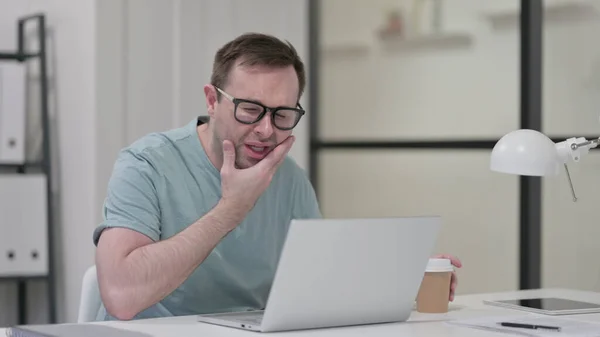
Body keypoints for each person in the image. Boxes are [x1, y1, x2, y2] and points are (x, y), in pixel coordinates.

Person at [93, 32, 462, 321]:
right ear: (212, 99)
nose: (266, 131)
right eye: (250, 109)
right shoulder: (147, 165)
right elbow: (122, 296)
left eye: (283, 114)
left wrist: (398, 282)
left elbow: (320, 285)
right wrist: (230, 210)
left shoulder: (290, 179)